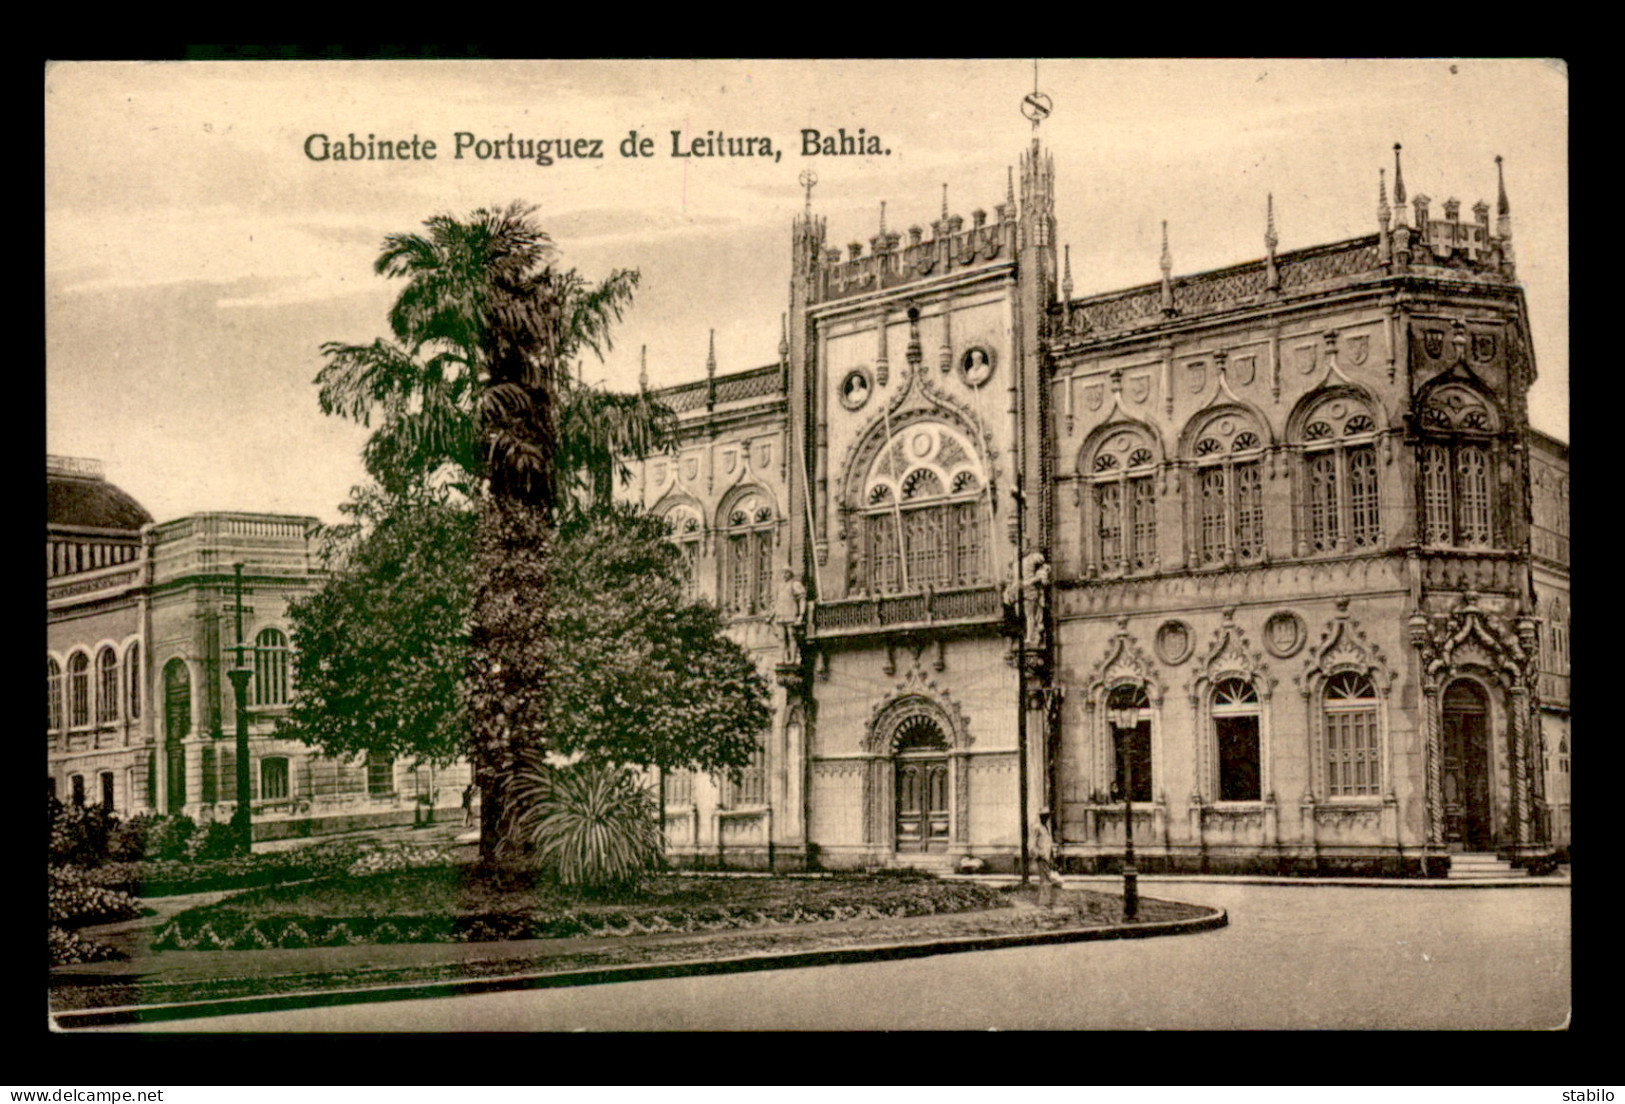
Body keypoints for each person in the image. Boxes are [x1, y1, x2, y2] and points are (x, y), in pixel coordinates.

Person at [773, 567, 807, 663]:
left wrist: (801, 614)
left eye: (786, 573)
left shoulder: (795, 584)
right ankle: (782, 658)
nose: (784, 575)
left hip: (791, 614)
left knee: (792, 636)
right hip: (780, 614)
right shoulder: (779, 586)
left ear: (790, 574)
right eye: (783, 573)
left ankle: (792, 659)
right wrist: (772, 615)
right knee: (781, 638)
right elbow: (776, 602)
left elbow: (802, 598)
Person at [1033, 812, 1061, 907]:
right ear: (1041, 817)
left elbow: (1048, 843)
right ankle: (1043, 903)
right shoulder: (1037, 828)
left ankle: (1045, 901)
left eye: (1047, 817)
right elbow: (1031, 844)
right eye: (1044, 817)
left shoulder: (1046, 828)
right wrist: (1039, 854)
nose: (1046, 819)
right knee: (1045, 879)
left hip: (1047, 857)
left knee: (1046, 879)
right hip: (1042, 857)